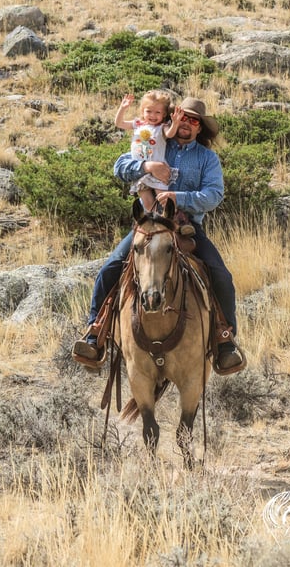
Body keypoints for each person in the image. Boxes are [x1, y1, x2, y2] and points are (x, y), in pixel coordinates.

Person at [72, 96, 246, 374]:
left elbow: (214, 195)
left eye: (193, 121)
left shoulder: (207, 159)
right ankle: (95, 334)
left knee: (221, 275)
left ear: (200, 128)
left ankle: (225, 341)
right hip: (148, 226)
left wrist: (178, 196)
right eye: (183, 117)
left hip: (187, 226)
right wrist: (146, 167)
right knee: (110, 268)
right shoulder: (154, 138)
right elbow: (120, 166)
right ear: (173, 118)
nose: (187, 124)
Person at [114, 90, 183, 212]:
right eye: (149, 111)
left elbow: (170, 134)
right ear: (142, 111)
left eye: (158, 112)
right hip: (140, 170)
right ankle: (155, 223)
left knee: (165, 200)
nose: (152, 115)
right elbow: (119, 123)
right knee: (147, 203)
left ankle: (176, 220)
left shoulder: (162, 127)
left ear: (164, 114)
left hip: (158, 170)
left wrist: (175, 123)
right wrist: (123, 108)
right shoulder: (138, 124)